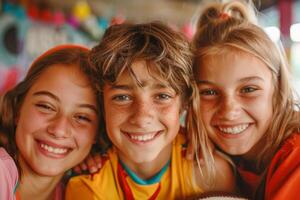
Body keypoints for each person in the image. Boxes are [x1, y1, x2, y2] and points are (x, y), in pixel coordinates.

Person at [65, 22, 236, 199]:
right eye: (122, 97)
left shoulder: (210, 174)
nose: (141, 118)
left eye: (162, 96)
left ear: (184, 102)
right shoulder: (86, 186)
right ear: (102, 103)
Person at [192, 1, 300, 199]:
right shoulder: (203, 157)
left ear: (278, 89)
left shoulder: (296, 157)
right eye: (209, 92)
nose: (229, 110)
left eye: (249, 89)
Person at [0, 44, 100, 200]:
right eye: (46, 106)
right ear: (18, 107)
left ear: (97, 133)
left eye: (82, 117)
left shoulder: (77, 191)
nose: (59, 130)